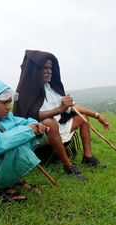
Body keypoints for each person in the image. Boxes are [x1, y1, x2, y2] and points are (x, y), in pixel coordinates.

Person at [14, 50, 109, 180]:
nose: (49, 71)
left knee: (83, 118)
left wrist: (97, 115)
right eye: (45, 68)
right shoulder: (25, 90)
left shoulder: (50, 87)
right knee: (49, 122)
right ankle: (68, 165)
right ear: (35, 69)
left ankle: (88, 157)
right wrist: (60, 109)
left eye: (50, 68)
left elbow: (73, 107)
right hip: (38, 133)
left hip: (58, 128)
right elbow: (33, 115)